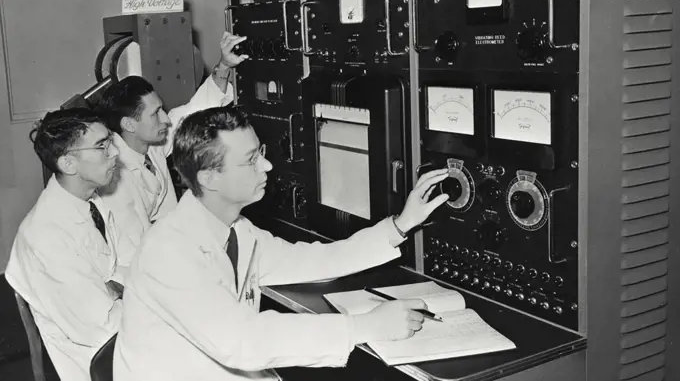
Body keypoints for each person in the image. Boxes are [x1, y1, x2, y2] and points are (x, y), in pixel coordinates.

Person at [114, 105, 451, 381]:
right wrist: (366, 326)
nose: (267, 165)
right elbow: (241, 342)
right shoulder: (170, 252)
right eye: (250, 160)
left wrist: (402, 224)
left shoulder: (236, 230)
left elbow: (317, 261)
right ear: (209, 177)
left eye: (259, 152)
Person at [96, 31, 247, 263]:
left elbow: (196, 109)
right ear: (129, 125)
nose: (166, 119)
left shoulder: (149, 141)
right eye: (156, 113)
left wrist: (225, 65)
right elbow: (137, 253)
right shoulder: (113, 179)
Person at [5, 108, 124, 381]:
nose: (115, 152)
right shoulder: (46, 235)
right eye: (102, 146)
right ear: (68, 164)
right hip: (98, 362)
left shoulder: (91, 203)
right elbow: (101, 328)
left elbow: (120, 272)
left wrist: (117, 289)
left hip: (122, 336)